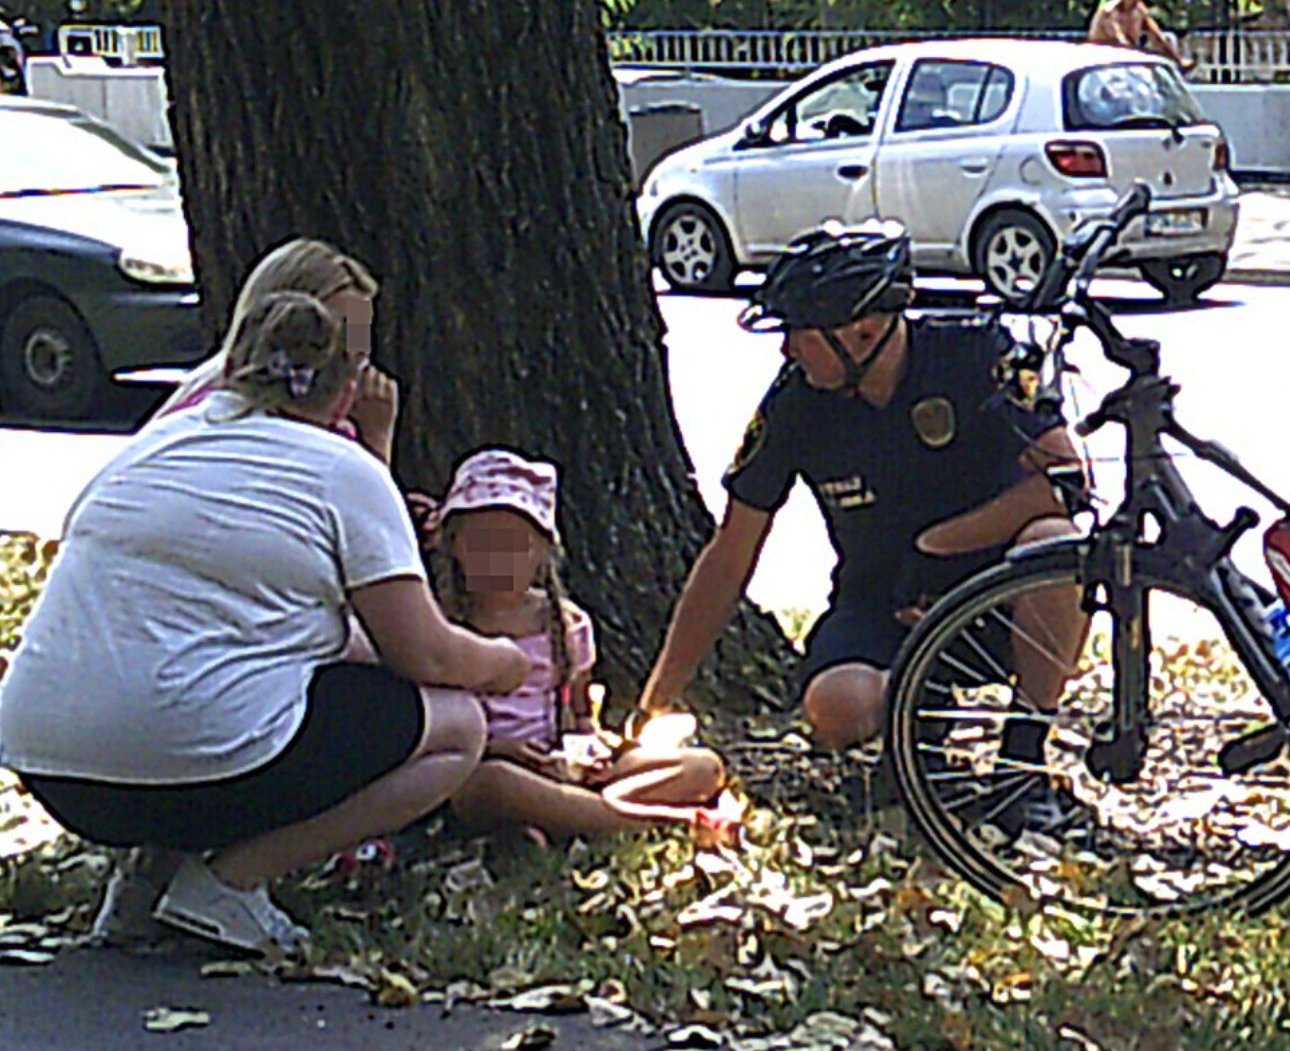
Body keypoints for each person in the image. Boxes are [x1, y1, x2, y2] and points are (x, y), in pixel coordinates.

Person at [0, 292, 530, 954]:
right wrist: (505, 661)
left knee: (207, 690)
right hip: (204, 760)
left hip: (51, 764)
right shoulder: (344, 472)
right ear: (344, 394)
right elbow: (429, 657)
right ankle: (228, 884)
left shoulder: (154, 442)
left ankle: (144, 882)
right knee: (457, 727)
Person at [638, 225, 1086, 752]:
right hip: (880, 604)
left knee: (1055, 545)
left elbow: (1066, 482)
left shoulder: (976, 353)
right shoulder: (795, 404)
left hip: (993, 591)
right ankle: (917, 718)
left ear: (865, 332)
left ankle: (1025, 753)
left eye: (801, 334)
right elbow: (731, 552)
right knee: (836, 706)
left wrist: (938, 544)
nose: (786, 350)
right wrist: (659, 698)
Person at [423, 450, 725, 839]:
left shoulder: (566, 625)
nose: (500, 559)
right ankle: (624, 820)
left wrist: (589, 747)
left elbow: (581, 713)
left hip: (562, 767)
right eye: (483, 543)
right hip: (489, 764)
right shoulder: (440, 624)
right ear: (454, 546)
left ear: (542, 551)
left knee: (704, 767)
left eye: (516, 544)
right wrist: (499, 750)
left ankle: (575, 817)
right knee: (487, 787)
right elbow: (436, 727)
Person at [153, 237, 399, 466]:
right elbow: (359, 505)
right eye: (339, 333)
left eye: (361, 332)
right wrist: (377, 439)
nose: (357, 349)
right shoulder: (244, 412)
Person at [1087, 0, 1195, 71]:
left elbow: (1158, 37)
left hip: (1126, 58)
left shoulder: (1140, 10)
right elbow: (1118, 38)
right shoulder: (1110, 9)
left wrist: (1177, 60)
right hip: (1101, 59)